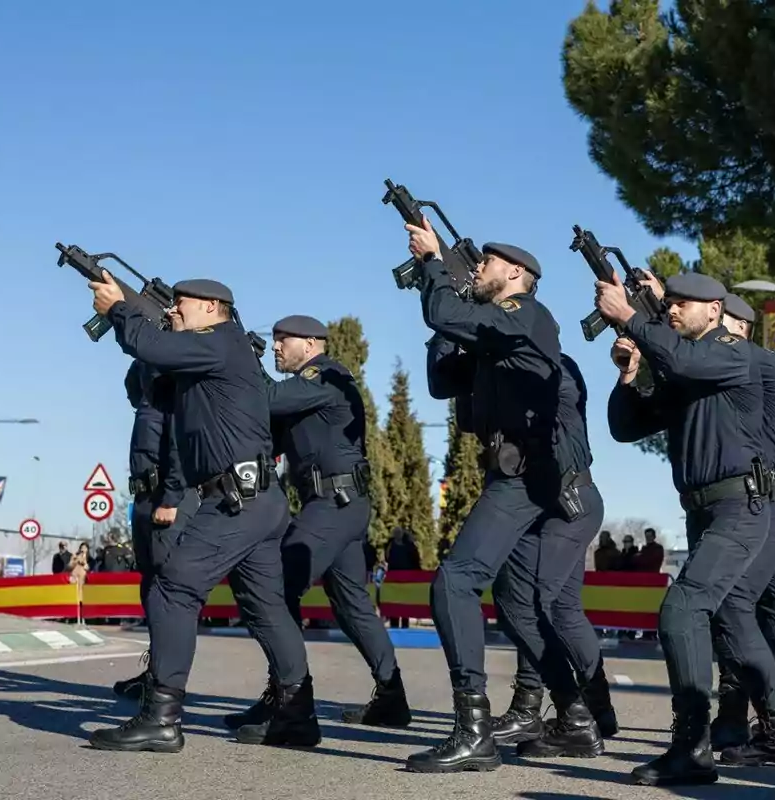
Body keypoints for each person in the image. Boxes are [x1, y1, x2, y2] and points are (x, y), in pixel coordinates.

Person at [84, 271, 317, 754]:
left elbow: (154, 351)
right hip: (257, 499)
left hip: (236, 498)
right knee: (265, 607)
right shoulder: (212, 357)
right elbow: (152, 383)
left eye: (181, 306)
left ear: (211, 308)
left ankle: (161, 717)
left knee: (173, 588)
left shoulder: (220, 341)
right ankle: (296, 715)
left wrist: (121, 310)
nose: (173, 311)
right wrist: (146, 329)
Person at [403, 215, 564, 773]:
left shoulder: (525, 316)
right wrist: (444, 295)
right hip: (513, 472)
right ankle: (571, 715)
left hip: (525, 473)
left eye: (488, 265)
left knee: (454, 581)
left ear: (515, 274)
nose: (479, 270)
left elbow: (447, 309)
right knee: (519, 601)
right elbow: (444, 380)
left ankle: (473, 729)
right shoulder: (494, 328)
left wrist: (434, 266)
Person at [600, 270, 769, 786]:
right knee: (715, 623)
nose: (672, 310)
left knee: (682, 609)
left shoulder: (730, 352)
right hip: (702, 512)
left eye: (683, 304)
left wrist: (634, 314)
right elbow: (628, 428)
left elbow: (680, 357)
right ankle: (734, 732)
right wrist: (629, 375)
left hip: (738, 507)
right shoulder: (689, 369)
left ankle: (697, 747)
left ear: (715, 311)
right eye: (668, 303)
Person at [428, 336, 618, 755]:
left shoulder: (555, 369)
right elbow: (470, 418)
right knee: (557, 608)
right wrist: (453, 351)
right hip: (554, 501)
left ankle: (543, 708)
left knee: (535, 603)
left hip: (564, 502)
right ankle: (593, 710)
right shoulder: (499, 374)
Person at [223, 313, 411, 736]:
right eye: (270, 342)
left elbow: (266, 398)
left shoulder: (323, 376)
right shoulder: (304, 388)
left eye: (281, 341)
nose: (274, 348)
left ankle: (289, 700)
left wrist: (239, 357)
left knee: (275, 585)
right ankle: (392, 698)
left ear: (309, 344)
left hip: (335, 501)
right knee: (351, 605)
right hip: (335, 502)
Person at [705, 292, 775, 766]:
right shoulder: (754, 364)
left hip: (768, 499)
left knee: (734, 602)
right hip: (772, 498)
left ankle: (766, 720)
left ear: (741, 328)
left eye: (721, 320)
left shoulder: (753, 361)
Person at [113, 358, 201, 700]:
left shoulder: (176, 386)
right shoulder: (149, 386)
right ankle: (155, 673)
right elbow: (130, 387)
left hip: (169, 498)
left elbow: (181, 445)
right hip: (146, 496)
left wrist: (172, 498)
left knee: (168, 592)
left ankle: (166, 684)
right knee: (151, 589)